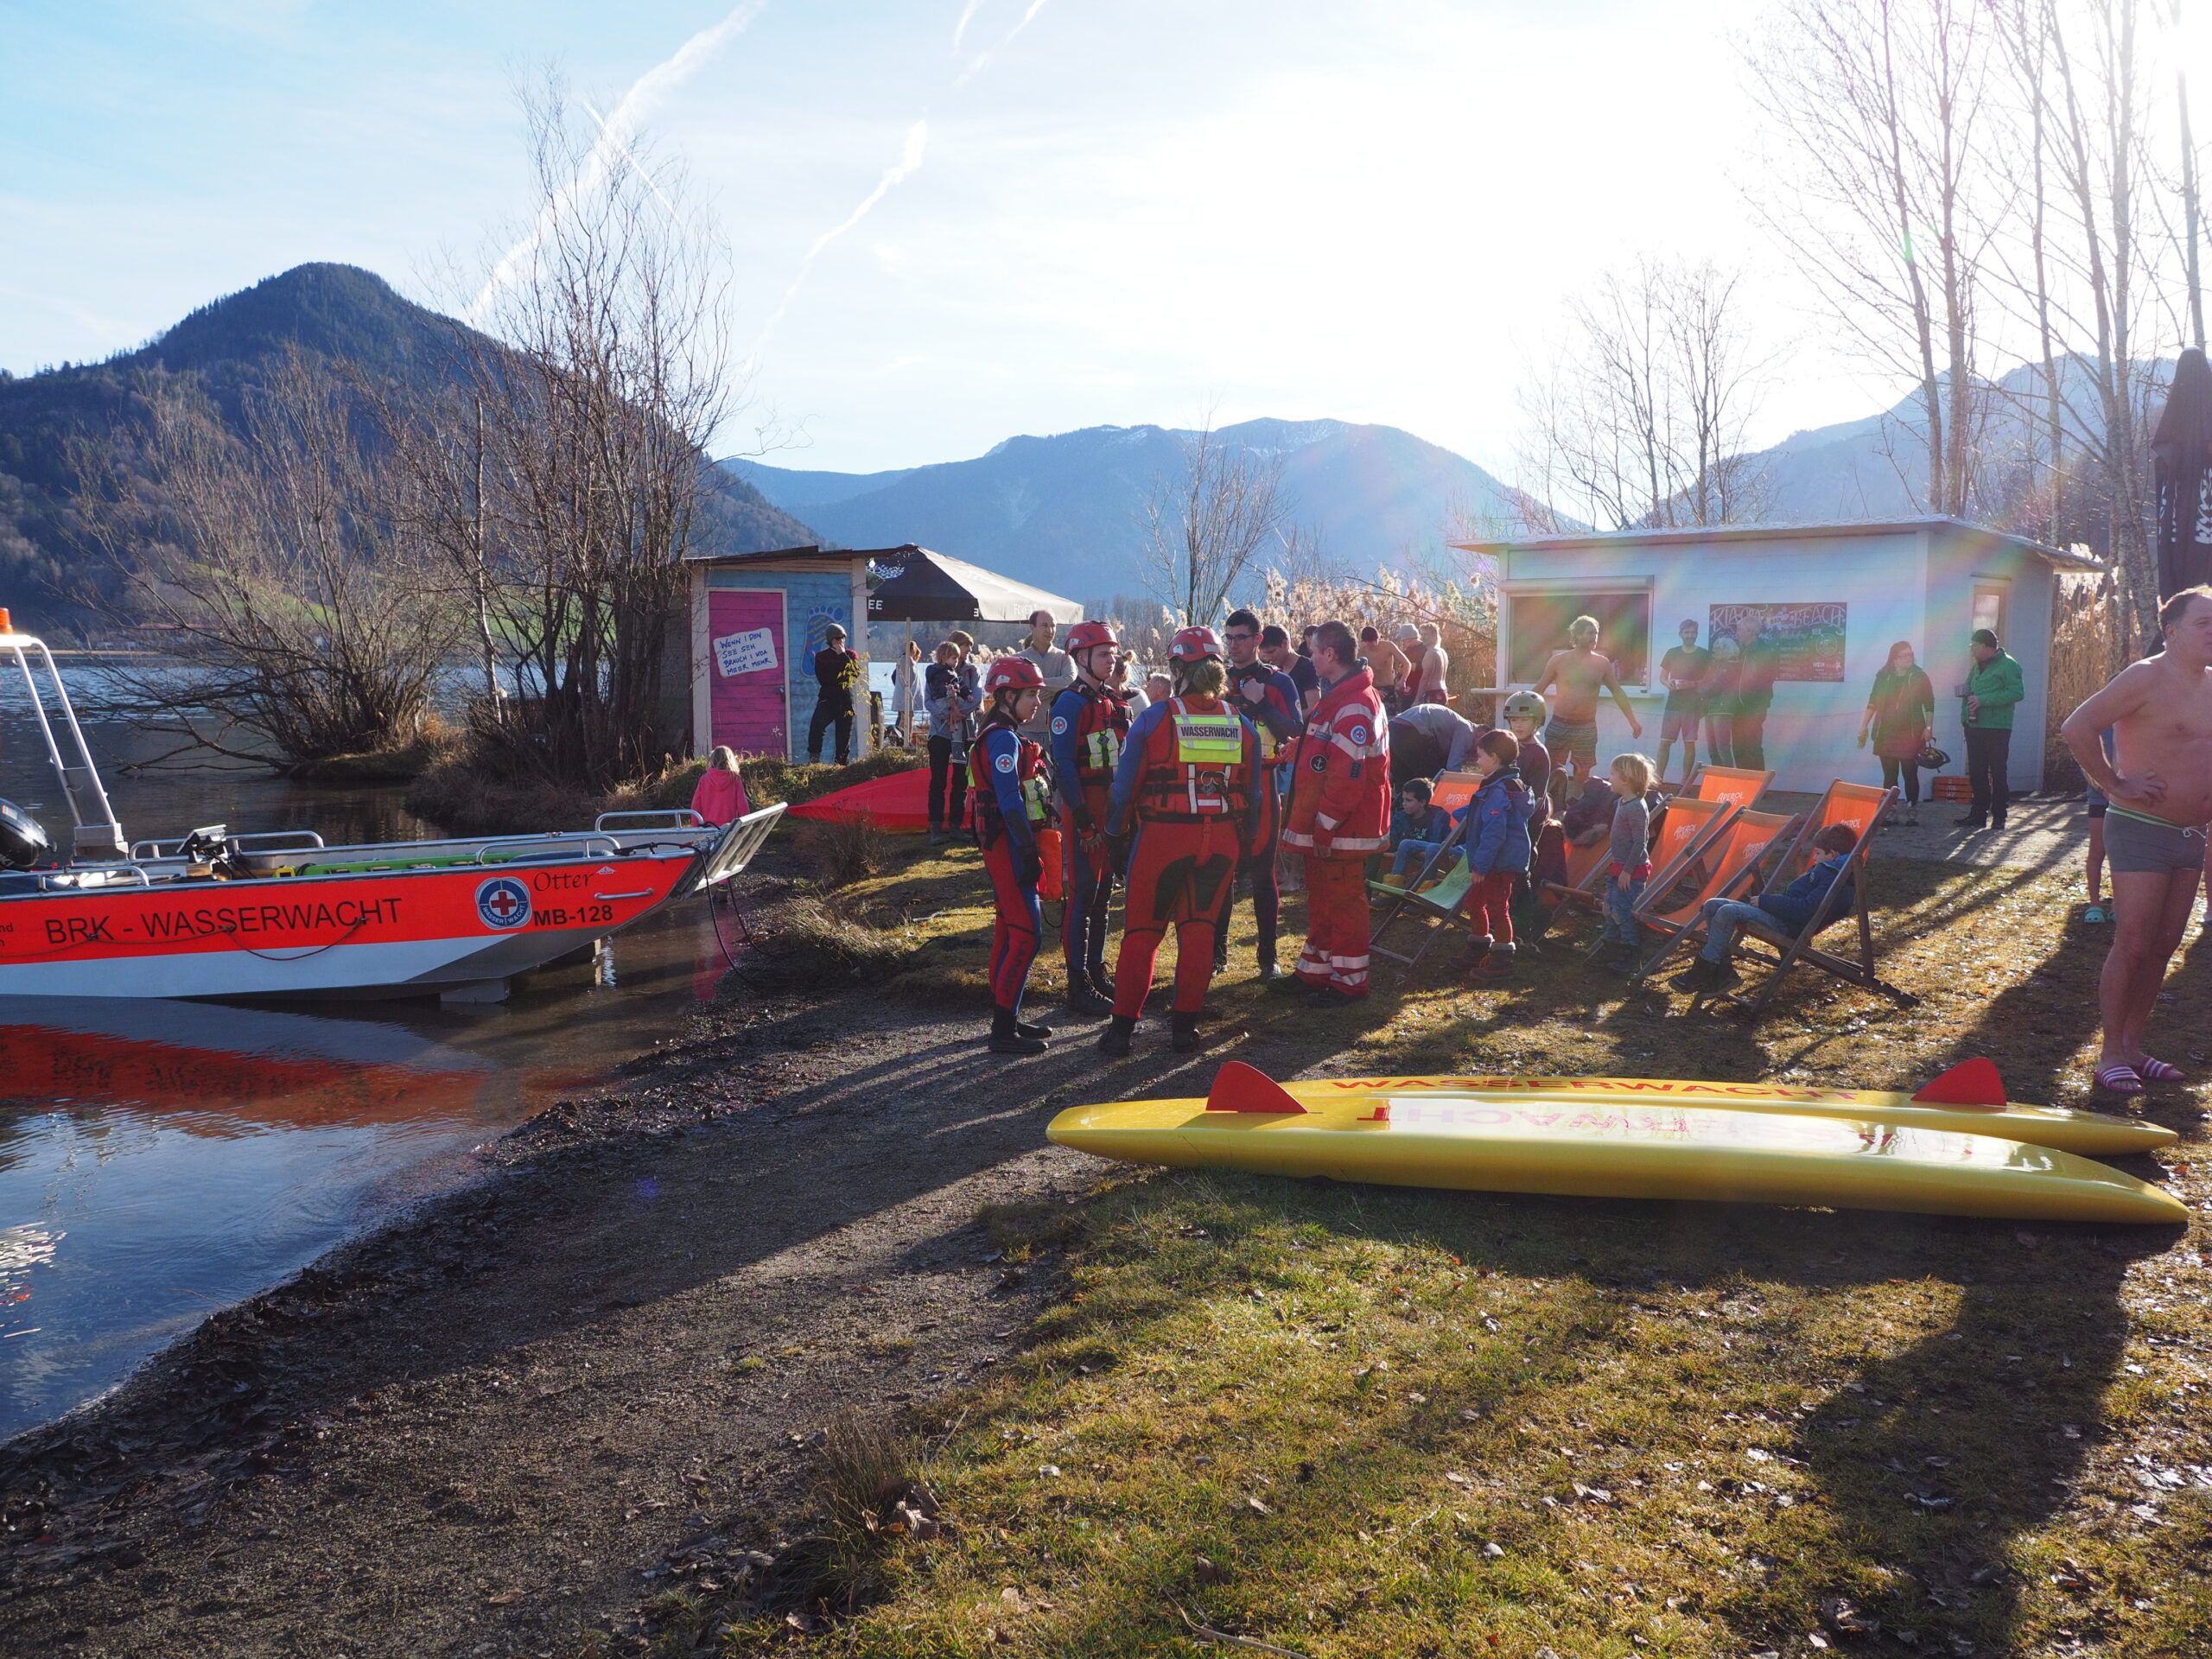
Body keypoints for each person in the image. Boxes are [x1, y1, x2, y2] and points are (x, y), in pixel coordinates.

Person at [2060, 587, 2212, 1096]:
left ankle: (2132, 1046)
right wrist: (2113, 783)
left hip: (2192, 835)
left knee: (2165, 945)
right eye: (2204, 624)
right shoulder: (2146, 676)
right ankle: (2109, 1054)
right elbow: (2077, 726)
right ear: (2172, 632)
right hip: (2142, 829)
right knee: (2135, 941)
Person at [1098, 626, 1266, 1056]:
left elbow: (1123, 790)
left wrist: (1114, 836)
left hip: (1164, 839)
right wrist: (1247, 848)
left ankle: (1120, 1034)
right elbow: (1257, 795)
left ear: (1177, 669)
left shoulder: (1155, 717)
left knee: (1142, 934)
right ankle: (1184, 1030)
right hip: (1222, 841)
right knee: (1199, 932)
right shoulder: (1241, 723)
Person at [1277, 620, 1391, 1001]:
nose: (1309, 657)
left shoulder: (1355, 704)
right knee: (1324, 898)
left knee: (1344, 902)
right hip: (1332, 825)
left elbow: (1347, 776)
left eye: (1313, 651)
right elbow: (1330, 756)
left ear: (1330, 654)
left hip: (1344, 826)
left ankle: (1349, 982)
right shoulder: (1341, 697)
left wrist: (1325, 824)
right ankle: (1316, 972)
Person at [966, 657, 1057, 1054]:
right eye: (1031, 694)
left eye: (1038, 693)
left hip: (1004, 843)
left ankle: (1009, 1014)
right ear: (1007, 696)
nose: (1037, 701)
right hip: (1007, 845)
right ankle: (1002, 1031)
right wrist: (1026, 851)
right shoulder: (1002, 739)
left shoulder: (1005, 734)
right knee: (1026, 934)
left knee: (1009, 929)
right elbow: (1009, 801)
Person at [1050, 620, 1133, 1015]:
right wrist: (1083, 820)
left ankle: (1097, 970)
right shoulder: (1070, 703)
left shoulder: (1110, 701)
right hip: (1083, 807)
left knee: (1103, 893)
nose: (1110, 659)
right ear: (1081, 657)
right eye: (1103, 654)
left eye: (1113, 653)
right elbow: (1064, 766)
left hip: (1109, 807)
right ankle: (1076, 981)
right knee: (1083, 893)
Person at [1669, 823, 1861, 994]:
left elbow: (1805, 909)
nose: (1815, 858)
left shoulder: (1833, 877)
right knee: (1712, 905)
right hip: (1783, 918)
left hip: (1789, 927)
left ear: (1833, 854)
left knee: (1727, 911)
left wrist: (1766, 902)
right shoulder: (1830, 872)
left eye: (1818, 853)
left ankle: (1701, 973)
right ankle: (1724, 973)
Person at [1221, 606, 1304, 982]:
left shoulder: (1278, 682)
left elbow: (1293, 731)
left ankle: (1268, 957)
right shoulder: (1215, 680)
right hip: (1220, 785)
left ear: (1257, 640)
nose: (1234, 645)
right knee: (1219, 870)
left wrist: (1260, 702)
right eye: (1229, 637)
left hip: (1265, 782)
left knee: (1262, 872)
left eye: (1241, 638)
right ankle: (1216, 953)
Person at [1532, 614, 1643, 810]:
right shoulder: (1558, 661)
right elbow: (1538, 689)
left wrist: (1633, 721)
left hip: (1585, 726)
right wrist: (1524, 714)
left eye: (1597, 633)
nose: (1595, 637)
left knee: (1582, 770)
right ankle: (1547, 806)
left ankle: (1574, 807)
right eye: (1590, 633)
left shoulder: (1602, 663)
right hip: (1559, 723)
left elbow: (1618, 692)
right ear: (1577, 634)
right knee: (1552, 767)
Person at [1452, 728, 1535, 979]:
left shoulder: (1499, 790)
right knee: (1474, 902)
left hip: (1497, 863)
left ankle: (1502, 960)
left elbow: (1495, 833)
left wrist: (1481, 866)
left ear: (1495, 758)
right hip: (1490, 861)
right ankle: (1479, 946)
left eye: (1480, 756)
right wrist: (1459, 815)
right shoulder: (1497, 786)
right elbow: (1483, 814)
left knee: (1499, 907)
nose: (1477, 762)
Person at [1857, 640, 1935, 826]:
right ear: (1894, 659)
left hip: (1911, 733)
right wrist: (1863, 725)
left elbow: (1929, 703)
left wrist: (1928, 727)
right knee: (1889, 774)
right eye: (1905, 655)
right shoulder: (1883, 676)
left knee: (1910, 773)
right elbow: (1873, 702)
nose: (1909, 658)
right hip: (1886, 732)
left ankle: (1911, 809)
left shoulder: (1919, 676)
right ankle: (1890, 810)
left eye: (1911, 654)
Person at [1958, 626, 2024, 831]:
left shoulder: (2009, 665)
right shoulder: (1977, 666)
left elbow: (2016, 693)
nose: (1972, 650)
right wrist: (1965, 719)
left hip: (1997, 727)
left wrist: (1983, 700)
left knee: (1997, 772)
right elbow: (1968, 691)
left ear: (1987, 646)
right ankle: (1978, 814)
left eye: (1975, 646)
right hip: (1974, 726)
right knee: (1977, 773)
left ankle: (1999, 817)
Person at [1596, 752, 1656, 973]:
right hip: (1620, 866)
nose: (1608, 777)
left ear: (1625, 779)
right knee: (1610, 907)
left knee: (1622, 910)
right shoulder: (1622, 802)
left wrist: (1628, 871)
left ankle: (1631, 952)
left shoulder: (1636, 807)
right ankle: (1611, 946)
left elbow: (1641, 841)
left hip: (1632, 870)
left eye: (1612, 773)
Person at [925, 640, 980, 845]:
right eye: (964, 647)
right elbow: (928, 700)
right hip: (939, 732)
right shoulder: (934, 672)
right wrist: (946, 714)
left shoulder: (973, 671)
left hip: (963, 733)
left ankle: (956, 824)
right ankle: (936, 827)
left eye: (967, 649)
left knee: (961, 780)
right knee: (938, 780)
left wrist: (960, 712)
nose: (966, 652)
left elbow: (976, 699)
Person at [1655, 619, 1710, 785]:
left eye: (1693, 632)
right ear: (1680, 634)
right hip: (1673, 705)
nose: (1690, 635)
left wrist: (1691, 684)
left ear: (1697, 634)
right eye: (1687, 632)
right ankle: (1658, 780)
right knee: (1665, 742)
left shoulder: (1704, 654)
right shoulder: (1672, 653)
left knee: (1689, 744)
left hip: (1693, 706)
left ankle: (1685, 782)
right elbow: (1662, 677)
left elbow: (1709, 681)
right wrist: (1668, 684)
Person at [1727, 613, 1783, 768]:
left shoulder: (1765, 650)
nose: (1737, 633)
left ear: (1750, 631)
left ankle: (1758, 788)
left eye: (1739, 629)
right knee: (1738, 747)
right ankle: (1742, 785)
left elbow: (1765, 680)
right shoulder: (1740, 650)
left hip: (1754, 707)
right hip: (1737, 706)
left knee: (1752, 746)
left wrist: (1758, 702)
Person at [1387, 700, 1479, 786]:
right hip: (1410, 730)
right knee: (1433, 779)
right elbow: (1452, 766)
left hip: (1393, 727)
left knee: (1404, 781)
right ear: (1481, 734)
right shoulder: (1467, 730)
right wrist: (1459, 788)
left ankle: (1399, 803)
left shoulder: (1455, 721)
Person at [1382, 777, 1456, 883]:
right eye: (1403, 799)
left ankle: (1424, 884)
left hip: (1430, 850)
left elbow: (1441, 842)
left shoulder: (1437, 819)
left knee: (1409, 844)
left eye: (1409, 800)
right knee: (1404, 844)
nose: (1404, 804)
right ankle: (1393, 883)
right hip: (1407, 851)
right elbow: (1394, 841)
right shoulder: (1401, 817)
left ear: (1422, 803)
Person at [1016, 609, 1075, 739]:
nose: (1050, 630)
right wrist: (1055, 689)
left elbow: (1069, 681)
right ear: (1032, 627)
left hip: (1057, 730)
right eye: (1044, 625)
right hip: (1024, 731)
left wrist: (1033, 687)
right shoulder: (1018, 660)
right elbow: (1015, 691)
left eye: (1053, 626)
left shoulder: (1064, 657)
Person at [808, 623, 861, 764]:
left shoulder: (850, 655)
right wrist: (839, 677)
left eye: (842, 638)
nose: (840, 641)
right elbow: (824, 679)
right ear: (830, 640)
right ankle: (814, 761)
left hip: (846, 700)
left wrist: (842, 656)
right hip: (828, 698)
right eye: (837, 638)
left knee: (843, 738)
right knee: (816, 726)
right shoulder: (821, 657)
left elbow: (855, 673)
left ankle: (841, 766)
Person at [2084, 726, 2118, 923]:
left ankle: (2117, 904)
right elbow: (2087, 761)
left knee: (2121, 854)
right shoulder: (2097, 722)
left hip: (2129, 801)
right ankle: (2094, 903)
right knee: (2097, 850)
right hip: (2100, 799)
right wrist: (2105, 789)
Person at [1701, 635, 1740, 768]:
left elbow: (1716, 687)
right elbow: (1705, 683)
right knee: (1712, 749)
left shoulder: (1731, 666)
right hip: (1710, 709)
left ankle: (1727, 781)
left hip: (1723, 710)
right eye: (1714, 648)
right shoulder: (1716, 665)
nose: (1714, 651)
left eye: (1718, 649)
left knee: (1722, 748)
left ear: (1727, 650)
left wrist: (1703, 688)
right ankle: (1716, 779)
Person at [1261, 624, 1319, 711]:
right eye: (1266, 654)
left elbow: (1313, 707)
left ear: (1285, 644)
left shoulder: (1307, 667)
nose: (1269, 658)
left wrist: (1287, 723)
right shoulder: (1274, 672)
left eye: (1272, 652)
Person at [690, 745, 753, 825]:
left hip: (709, 827)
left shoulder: (704, 779)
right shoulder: (734, 779)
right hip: (729, 828)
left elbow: (696, 806)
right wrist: (745, 825)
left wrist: (696, 828)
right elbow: (742, 805)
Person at [1363, 625, 1410, 713]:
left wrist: (1403, 680)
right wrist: (1372, 690)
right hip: (1371, 690)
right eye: (1369, 642)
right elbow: (1356, 674)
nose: (1373, 644)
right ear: (1365, 642)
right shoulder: (1361, 651)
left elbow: (1407, 663)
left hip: (1388, 689)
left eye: (1375, 641)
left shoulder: (1388, 646)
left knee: (1391, 720)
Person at [891, 639, 922, 744]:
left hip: (908, 694)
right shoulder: (905, 660)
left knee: (908, 717)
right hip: (905, 694)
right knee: (905, 718)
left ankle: (904, 739)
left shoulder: (905, 660)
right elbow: (908, 678)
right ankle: (901, 739)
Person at [1415, 621, 1450, 705]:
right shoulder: (1442, 652)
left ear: (1434, 636)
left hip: (1433, 694)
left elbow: (1425, 679)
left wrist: (1417, 700)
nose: (1423, 638)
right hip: (1443, 693)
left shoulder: (1431, 653)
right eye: (1422, 635)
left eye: (1426, 634)